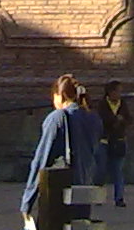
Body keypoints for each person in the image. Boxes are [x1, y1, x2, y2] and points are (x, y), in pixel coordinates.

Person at [23, 74, 97, 230]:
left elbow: (41, 161)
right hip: (85, 190)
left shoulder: (58, 118)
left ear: (60, 95)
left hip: (60, 192)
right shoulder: (93, 118)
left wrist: (27, 201)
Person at [94, 82, 131, 207]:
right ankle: (98, 197)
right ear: (110, 92)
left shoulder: (123, 104)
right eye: (117, 91)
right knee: (101, 170)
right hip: (104, 141)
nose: (119, 94)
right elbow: (102, 120)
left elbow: (129, 119)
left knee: (118, 171)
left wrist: (122, 121)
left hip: (119, 141)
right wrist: (116, 120)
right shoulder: (102, 105)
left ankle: (119, 198)